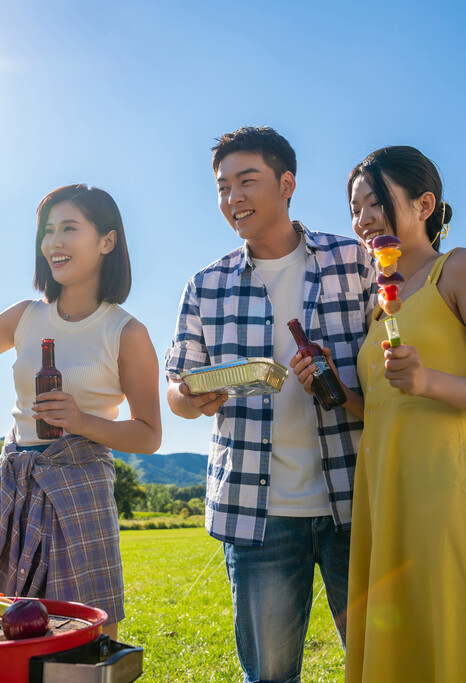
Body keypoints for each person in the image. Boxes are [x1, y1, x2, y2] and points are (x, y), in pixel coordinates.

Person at [164, 126, 375, 683]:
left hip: (357, 499)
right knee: (271, 676)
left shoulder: (353, 260)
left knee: (381, 664)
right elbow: (176, 390)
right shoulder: (205, 285)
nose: (233, 197)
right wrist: (191, 397)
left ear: (287, 183)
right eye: (222, 186)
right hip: (257, 513)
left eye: (246, 181)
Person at [342, 146, 466, 681]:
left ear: (425, 203)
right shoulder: (377, 303)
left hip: (441, 488)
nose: (363, 220)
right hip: (381, 490)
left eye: (375, 204)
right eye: (355, 208)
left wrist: (429, 380)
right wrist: (333, 391)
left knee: (449, 630)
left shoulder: (461, 269)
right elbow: (387, 407)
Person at [0, 184, 161, 638]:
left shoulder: (125, 331)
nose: (54, 242)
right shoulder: (25, 315)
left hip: (81, 484)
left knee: (85, 631)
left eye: (69, 229)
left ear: (107, 241)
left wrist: (80, 421)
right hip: (15, 480)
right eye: (48, 231)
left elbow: (148, 435)